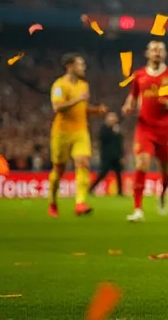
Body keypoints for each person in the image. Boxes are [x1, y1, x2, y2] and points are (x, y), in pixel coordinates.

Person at [122, 41, 168, 222]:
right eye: (153, 50)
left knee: (167, 173)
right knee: (141, 164)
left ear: (165, 54)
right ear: (147, 53)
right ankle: (137, 209)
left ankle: (163, 193)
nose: (157, 52)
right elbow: (132, 97)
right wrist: (128, 107)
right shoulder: (139, 75)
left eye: (160, 50)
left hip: (167, 130)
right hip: (145, 128)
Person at [48, 53, 107, 217]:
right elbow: (57, 107)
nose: (84, 67)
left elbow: (82, 110)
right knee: (58, 171)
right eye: (80, 64)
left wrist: (96, 111)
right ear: (70, 66)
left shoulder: (84, 85)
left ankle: (80, 203)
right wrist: (78, 99)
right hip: (62, 133)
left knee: (83, 162)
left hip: (80, 132)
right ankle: (52, 202)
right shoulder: (59, 85)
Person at [88, 112, 125, 197]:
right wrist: (113, 132)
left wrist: (121, 156)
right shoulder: (104, 129)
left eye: (114, 118)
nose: (113, 120)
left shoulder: (117, 129)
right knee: (102, 173)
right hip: (107, 156)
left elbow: (119, 144)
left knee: (119, 174)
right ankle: (91, 189)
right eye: (111, 118)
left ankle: (120, 192)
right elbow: (103, 139)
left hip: (116, 156)